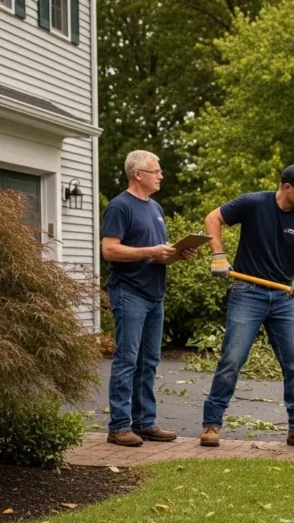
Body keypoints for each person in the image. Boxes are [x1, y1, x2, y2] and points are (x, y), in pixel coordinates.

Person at [199, 163, 294, 449]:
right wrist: (218, 255)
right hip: (247, 292)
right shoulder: (253, 203)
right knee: (232, 360)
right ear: (286, 187)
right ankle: (211, 425)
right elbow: (212, 218)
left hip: (284, 297)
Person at [101, 150, 197, 447]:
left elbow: (155, 252)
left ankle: (144, 423)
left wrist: (179, 254)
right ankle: (119, 426)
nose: (161, 175)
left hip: (155, 293)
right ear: (138, 174)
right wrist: (152, 251)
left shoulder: (155, 207)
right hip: (129, 292)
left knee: (149, 361)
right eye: (156, 171)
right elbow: (110, 250)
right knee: (127, 360)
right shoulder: (120, 206)